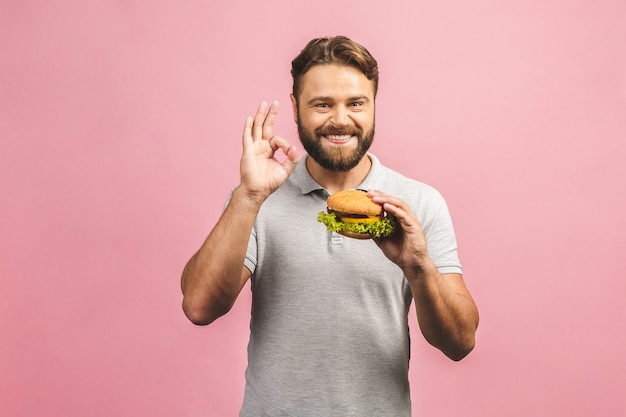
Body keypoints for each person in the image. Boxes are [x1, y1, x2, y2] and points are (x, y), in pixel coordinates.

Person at [181, 35, 479, 416]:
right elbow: (199, 307)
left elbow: (460, 342)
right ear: (295, 107)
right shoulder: (256, 198)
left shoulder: (420, 202)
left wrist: (418, 266)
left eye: (356, 103)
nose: (340, 119)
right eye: (322, 104)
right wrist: (249, 197)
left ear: (373, 105)